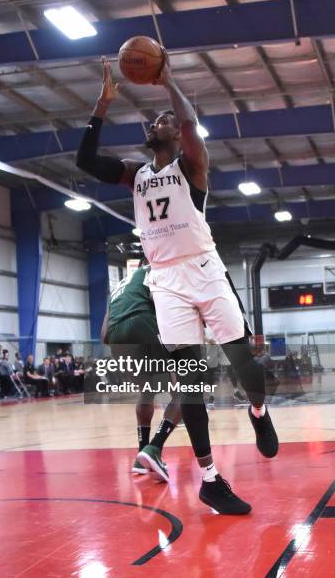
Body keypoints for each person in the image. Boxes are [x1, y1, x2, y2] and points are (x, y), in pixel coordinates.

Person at [76, 55, 279, 515]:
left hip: (204, 268)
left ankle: (259, 412)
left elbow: (188, 123)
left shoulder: (191, 166)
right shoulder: (137, 174)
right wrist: (101, 106)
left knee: (243, 360)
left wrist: (167, 83)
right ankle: (210, 479)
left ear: (176, 132)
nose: (156, 122)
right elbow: (85, 161)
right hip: (164, 279)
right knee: (191, 381)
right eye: (154, 119)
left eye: (163, 120)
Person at [101, 260, 181, 482]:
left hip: (117, 337)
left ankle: (141, 457)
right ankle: (154, 448)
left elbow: (104, 335)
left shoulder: (118, 287)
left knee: (147, 393)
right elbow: (164, 306)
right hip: (142, 323)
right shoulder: (155, 271)